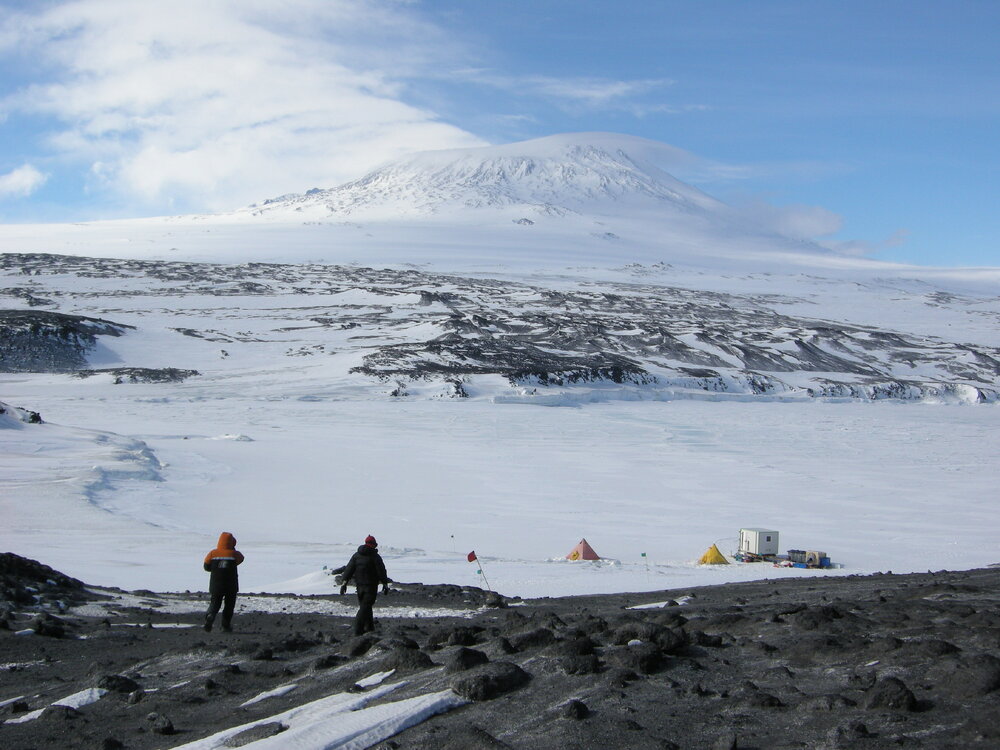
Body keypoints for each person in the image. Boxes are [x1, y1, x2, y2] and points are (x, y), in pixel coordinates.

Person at [339, 535, 389, 636]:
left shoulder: (356, 556)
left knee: (366, 607)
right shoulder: (375, 557)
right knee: (364, 608)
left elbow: (349, 569)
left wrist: (344, 583)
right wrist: (385, 583)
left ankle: (369, 628)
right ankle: (357, 631)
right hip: (370, 587)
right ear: (373, 545)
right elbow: (381, 571)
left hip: (360, 587)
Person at [203, 532, 244, 632]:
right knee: (229, 605)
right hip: (231, 585)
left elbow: (206, 566)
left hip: (216, 584)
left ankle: (210, 615)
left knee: (215, 603)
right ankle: (226, 626)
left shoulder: (212, 553)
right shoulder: (234, 554)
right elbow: (241, 559)